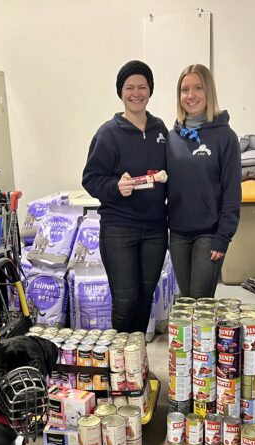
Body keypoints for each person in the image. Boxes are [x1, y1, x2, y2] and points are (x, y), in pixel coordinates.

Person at [82, 60, 168, 333]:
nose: (136, 93)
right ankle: (120, 367)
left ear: (150, 91)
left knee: (145, 300)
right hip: (120, 228)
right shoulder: (108, 134)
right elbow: (91, 179)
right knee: (126, 300)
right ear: (121, 92)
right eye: (129, 87)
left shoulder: (160, 130)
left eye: (142, 87)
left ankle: (137, 359)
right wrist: (115, 187)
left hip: (155, 228)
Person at [166, 64, 242, 299]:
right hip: (178, 234)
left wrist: (223, 237)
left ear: (209, 92)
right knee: (186, 300)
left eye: (198, 88)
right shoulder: (171, 138)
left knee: (200, 303)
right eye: (184, 89)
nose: (190, 95)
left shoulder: (225, 137)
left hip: (209, 235)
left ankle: (203, 338)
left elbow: (231, 191)